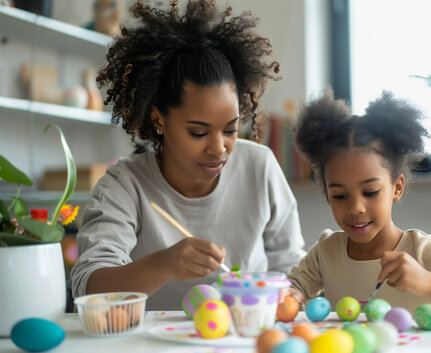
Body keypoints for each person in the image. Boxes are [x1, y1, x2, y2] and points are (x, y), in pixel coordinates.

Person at [71, 0, 306, 310]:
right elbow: (88, 288)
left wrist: (292, 296)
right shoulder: (125, 184)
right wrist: (163, 265)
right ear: (158, 120)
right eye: (198, 132)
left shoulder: (260, 167)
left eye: (231, 129)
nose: (219, 148)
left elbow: (293, 269)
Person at [281, 88, 431, 321]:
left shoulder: (422, 251)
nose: (356, 208)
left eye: (370, 192)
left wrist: (429, 282)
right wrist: (290, 296)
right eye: (340, 196)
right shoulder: (325, 252)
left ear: (397, 188)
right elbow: (292, 290)